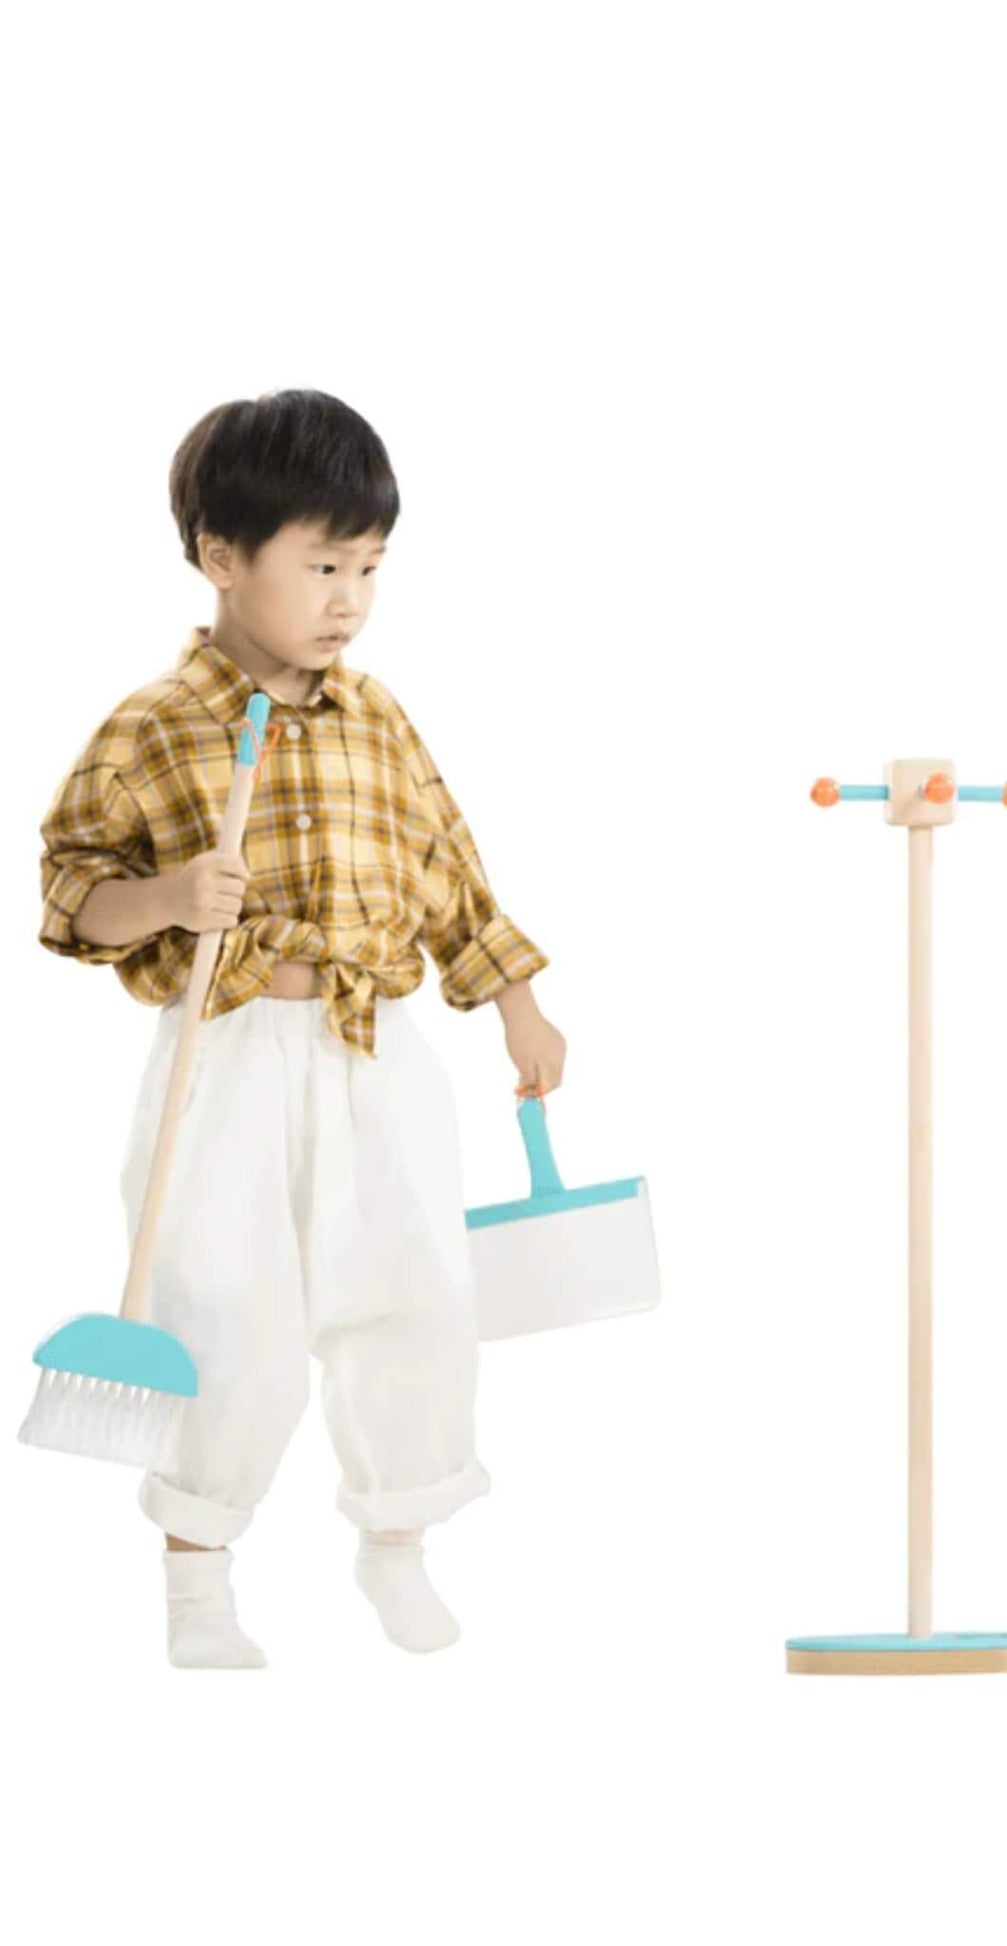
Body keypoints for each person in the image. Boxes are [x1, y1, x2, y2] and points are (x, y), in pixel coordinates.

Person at [38, 390, 566, 1667]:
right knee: (224, 1303)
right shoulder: (155, 725)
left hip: (373, 1049)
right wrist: (165, 898)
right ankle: (199, 1579)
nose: (349, 597)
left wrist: (512, 996)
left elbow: (446, 862)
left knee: (411, 1287)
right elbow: (69, 891)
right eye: (322, 562)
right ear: (223, 556)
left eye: (370, 566)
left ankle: (398, 1537)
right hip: (225, 1057)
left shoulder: (376, 716)